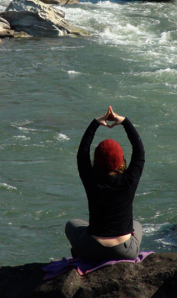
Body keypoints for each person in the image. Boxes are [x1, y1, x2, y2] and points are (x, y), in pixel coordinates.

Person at [65, 106, 145, 262]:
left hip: (93, 249)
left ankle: (80, 254)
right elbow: (139, 151)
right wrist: (125, 122)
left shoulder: (91, 181)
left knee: (72, 224)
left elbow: (82, 153)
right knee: (137, 225)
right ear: (121, 161)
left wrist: (96, 123)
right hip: (125, 251)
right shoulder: (129, 181)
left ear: (96, 162)